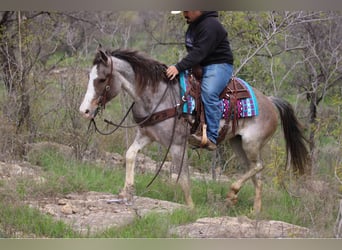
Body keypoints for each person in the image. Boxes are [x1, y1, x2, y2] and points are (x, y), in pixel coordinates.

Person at [166, 11, 234, 151]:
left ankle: (211, 137)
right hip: (201, 66)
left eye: (186, 10)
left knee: (209, 93)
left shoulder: (210, 25)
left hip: (219, 65)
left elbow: (199, 52)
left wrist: (178, 67)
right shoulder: (194, 24)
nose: (184, 14)